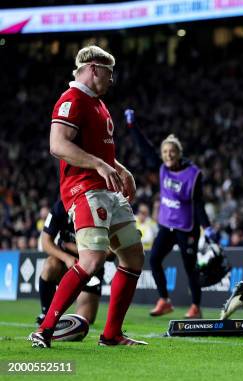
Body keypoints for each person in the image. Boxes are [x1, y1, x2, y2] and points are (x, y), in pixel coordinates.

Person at [30, 45, 146, 348]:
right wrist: (99, 164)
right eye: (109, 72)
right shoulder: (71, 100)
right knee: (92, 260)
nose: (112, 79)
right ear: (93, 68)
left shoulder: (99, 104)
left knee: (133, 257)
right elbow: (58, 144)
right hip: (85, 190)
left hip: (107, 190)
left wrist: (121, 169)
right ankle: (45, 329)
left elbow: (101, 152)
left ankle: (111, 335)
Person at [125, 109, 212, 319]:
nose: (168, 155)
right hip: (167, 224)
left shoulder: (193, 175)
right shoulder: (162, 167)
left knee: (190, 267)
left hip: (187, 227)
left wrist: (207, 227)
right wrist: (132, 126)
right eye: (165, 152)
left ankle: (196, 306)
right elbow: (146, 150)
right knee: (154, 259)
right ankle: (164, 300)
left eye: (171, 152)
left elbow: (198, 204)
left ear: (179, 152)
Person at [37, 199, 107, 326]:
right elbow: (45, 242)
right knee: (50, 266)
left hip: (91, 267)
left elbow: (110, 253)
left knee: (84, 321)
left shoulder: (99, 205)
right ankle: (46, 315)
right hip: (66, 264)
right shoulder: (61, 205)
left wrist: (71, 247)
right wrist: (67, 258)